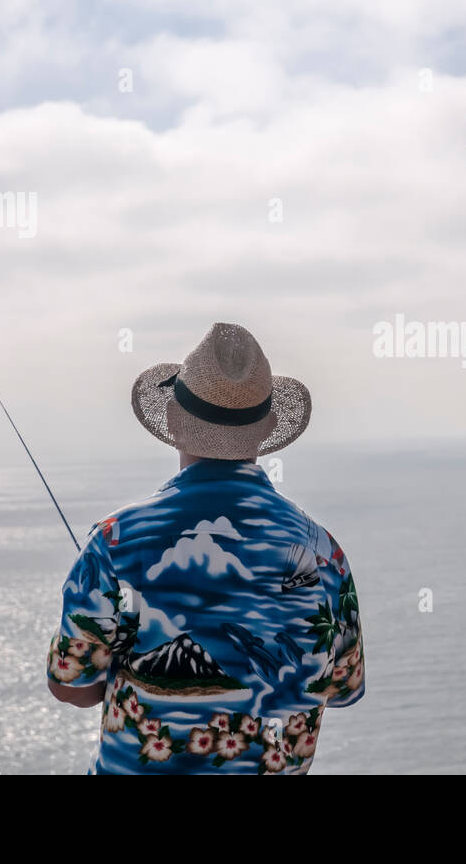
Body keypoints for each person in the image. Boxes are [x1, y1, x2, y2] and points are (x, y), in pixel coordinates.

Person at [46, 323, 363, 774]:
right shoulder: (326, 555)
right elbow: (343, 688)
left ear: (173, 420)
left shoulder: (116, 540)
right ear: (269, 428)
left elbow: (71, 686)